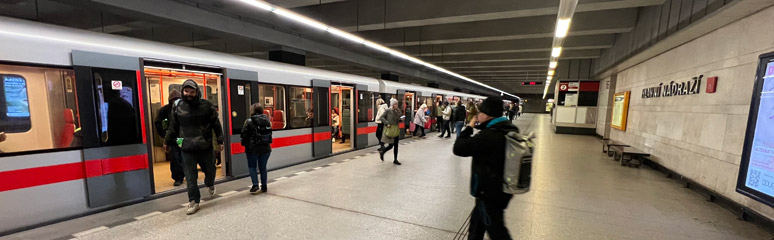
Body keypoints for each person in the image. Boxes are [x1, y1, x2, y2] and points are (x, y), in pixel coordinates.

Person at [453, 96, 518, 240]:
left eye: (480, 113)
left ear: (487, 115)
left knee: (497, 232)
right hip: (499, 189)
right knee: (476, 227)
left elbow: (459, 148)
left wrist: (469, 126)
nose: (478, 116)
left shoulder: (489, 136)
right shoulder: (508, 129)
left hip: (489, 193)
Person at [164, 79, 224, 215]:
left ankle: (210, 183)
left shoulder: (207, 106)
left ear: (197, 92)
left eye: (192, 91)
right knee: (191, 177)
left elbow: (216, 124)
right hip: (186, 148)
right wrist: (168, 142)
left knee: (210, 170)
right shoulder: (177, 106)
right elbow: (173, 127)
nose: (189, 94)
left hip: (205, 146)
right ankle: (194, 201)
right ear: (182, 92)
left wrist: (220, 141)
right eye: (186, 91)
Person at [154, 89, 185, 187]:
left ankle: (186, 174)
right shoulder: (164, 110)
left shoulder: (185, 108)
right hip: (172, 138)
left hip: (184, 137)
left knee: (185, 157)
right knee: (175, 158)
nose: (175, 101)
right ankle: (177, 178)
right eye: (174, 99)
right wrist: (164, 135)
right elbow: (158, 123)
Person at [241, 103, 272, 194]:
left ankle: (255, 185)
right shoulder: (267, 121)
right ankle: (264, 186)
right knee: (263, 167)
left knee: (252, 167)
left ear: (252, 111)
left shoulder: (248, 121)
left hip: (252, 149)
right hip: (266, 149)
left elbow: (243, 134)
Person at [378, 98, 402, 165]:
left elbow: (399, 117)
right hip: (390, 129)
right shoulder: (388, 110)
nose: (397, 105)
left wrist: (399, 113)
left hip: (396, 129)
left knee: (396, 145)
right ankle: (382, 152)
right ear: (392, 104)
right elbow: (381, 117)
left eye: (397, 104)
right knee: (391, 145)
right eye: (395, 104)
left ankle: (395, 159)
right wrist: (387, 123)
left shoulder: (397, 111)